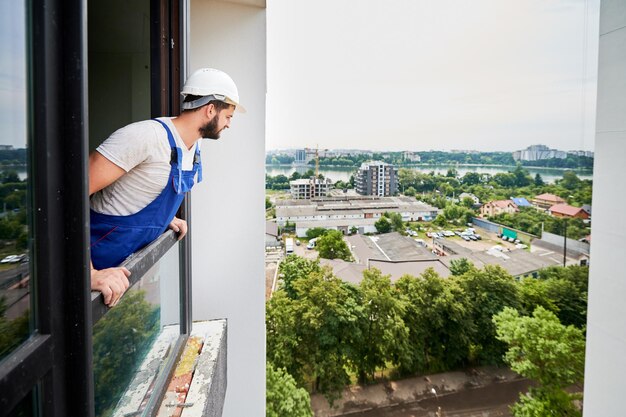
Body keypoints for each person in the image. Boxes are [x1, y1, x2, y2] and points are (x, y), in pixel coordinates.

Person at [89, 68, 244, 307]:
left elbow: (145, 189)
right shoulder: (145, 137)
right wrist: (88, 274)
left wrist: (164, 219)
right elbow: (68, 195)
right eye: (229, 116)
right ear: (210, 109)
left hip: (118, 274)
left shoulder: (193, 149)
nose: (229, 124)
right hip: (90, 270)